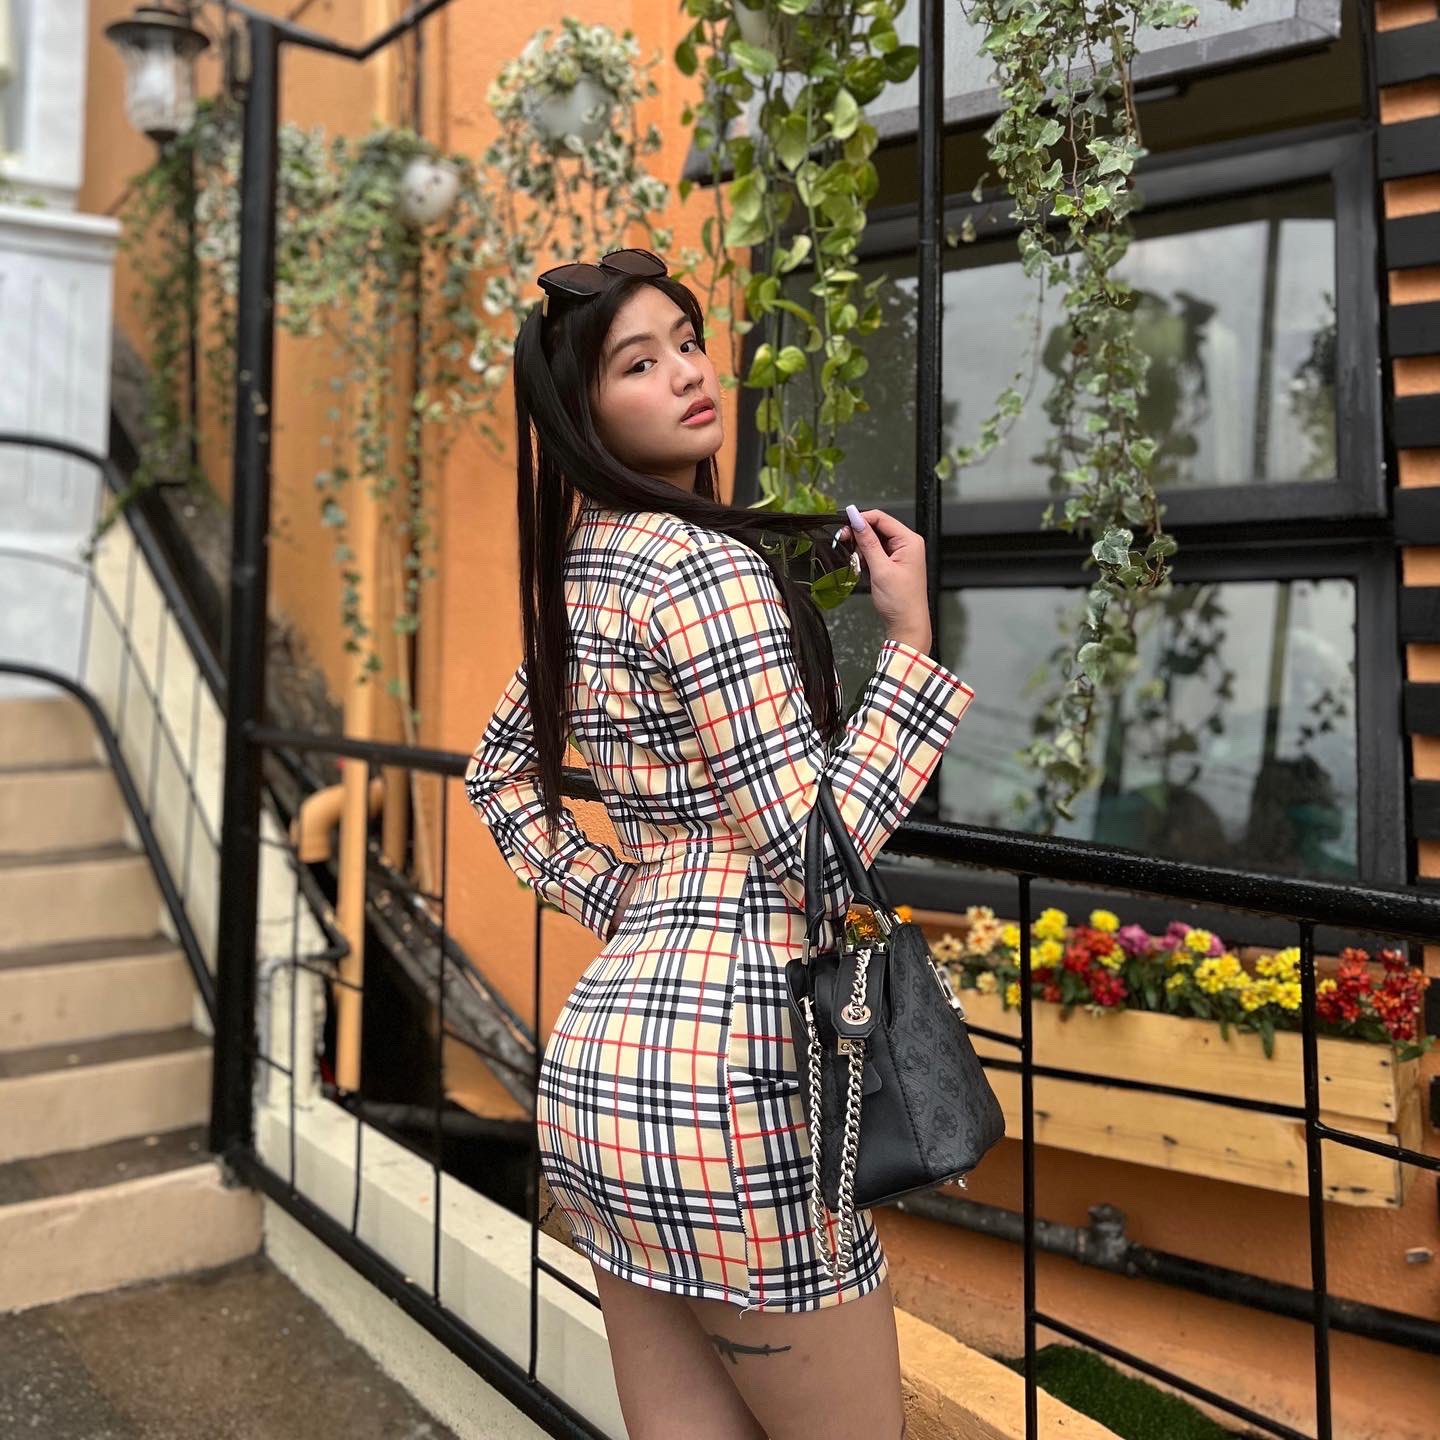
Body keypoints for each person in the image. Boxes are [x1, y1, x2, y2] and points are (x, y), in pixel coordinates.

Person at [463, 248, 975, 1439]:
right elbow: (815, 851)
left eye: (688, 343)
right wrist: (909, 645)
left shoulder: (589, 568)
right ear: (585, 413)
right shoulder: (705, 566)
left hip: (605, 1081)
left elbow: (498, 778)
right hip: (733, 1097)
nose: (691, 374)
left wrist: (641, 903)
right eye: (641, 364)